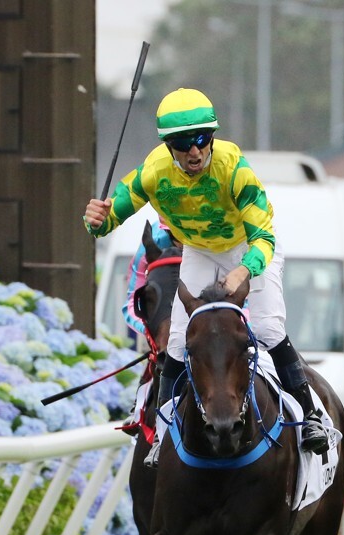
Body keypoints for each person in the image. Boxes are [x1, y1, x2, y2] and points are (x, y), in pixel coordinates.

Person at [82, 87, 330, 465]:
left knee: (267, 327)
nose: (195, 152)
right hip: (199, 250)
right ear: (168, 146)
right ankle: (161, 433)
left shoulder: (234, 168)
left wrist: (243, 271)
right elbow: (107, 220)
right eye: (183, 144)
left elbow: (264, 238)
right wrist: (95, 220)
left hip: (247, 246)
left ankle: (311, 415)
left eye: (202, 139)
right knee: (178, 341)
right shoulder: (152, 173)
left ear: (212, 136)